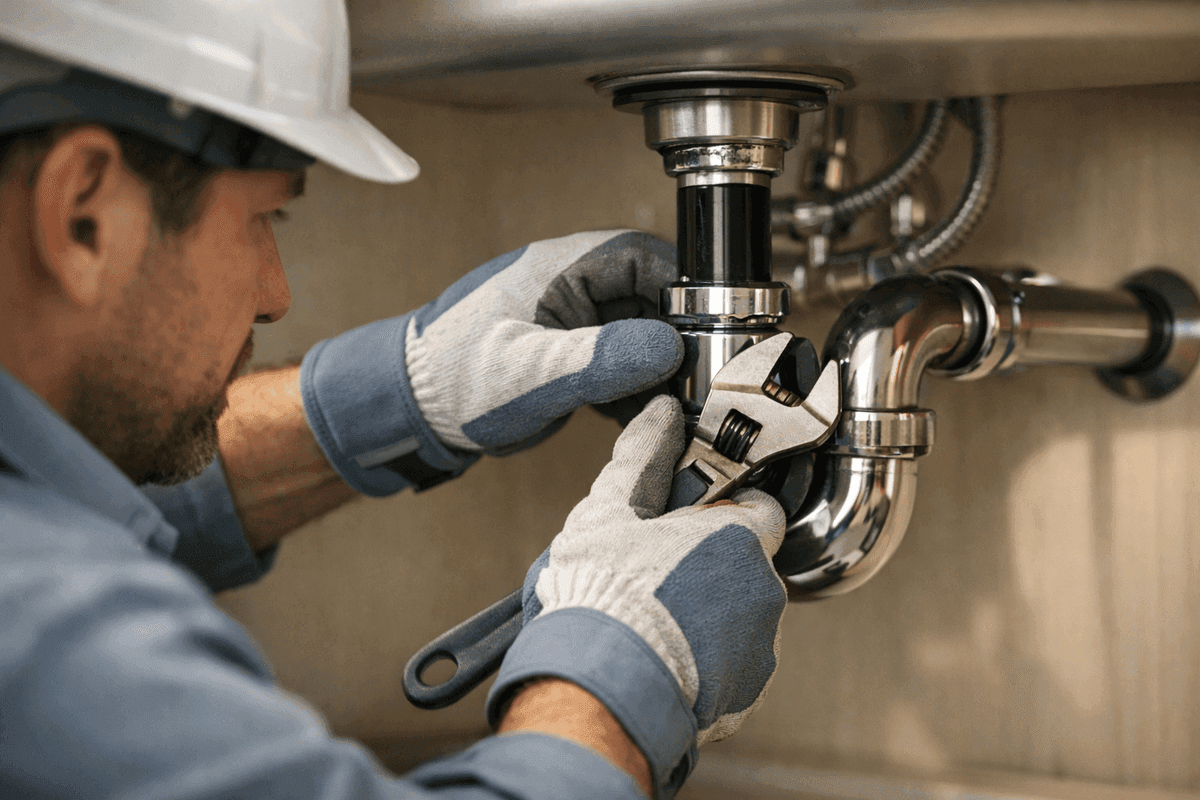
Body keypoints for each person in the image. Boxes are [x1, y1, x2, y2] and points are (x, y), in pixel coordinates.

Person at [0, 2, 790, 798]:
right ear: (84, 216)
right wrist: (626, 669)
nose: (275, 294)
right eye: (262, 213)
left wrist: (402, 395)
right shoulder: (42, 634)